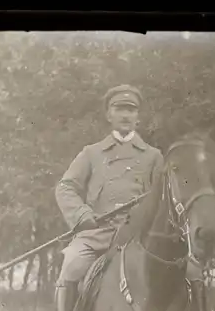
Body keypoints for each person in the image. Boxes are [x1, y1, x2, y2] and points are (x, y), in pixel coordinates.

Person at [54, 84, 164, 311]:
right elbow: (65, 187)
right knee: (71, 265)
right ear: (108, 114)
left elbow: (163, 199)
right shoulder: (91, 153)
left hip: (137, 238)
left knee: (185, 273)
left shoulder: (153, 156)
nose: (125, 115)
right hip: (97, 235)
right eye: (119, 108)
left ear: (138, 116)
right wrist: (82, 214)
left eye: (131, 110)